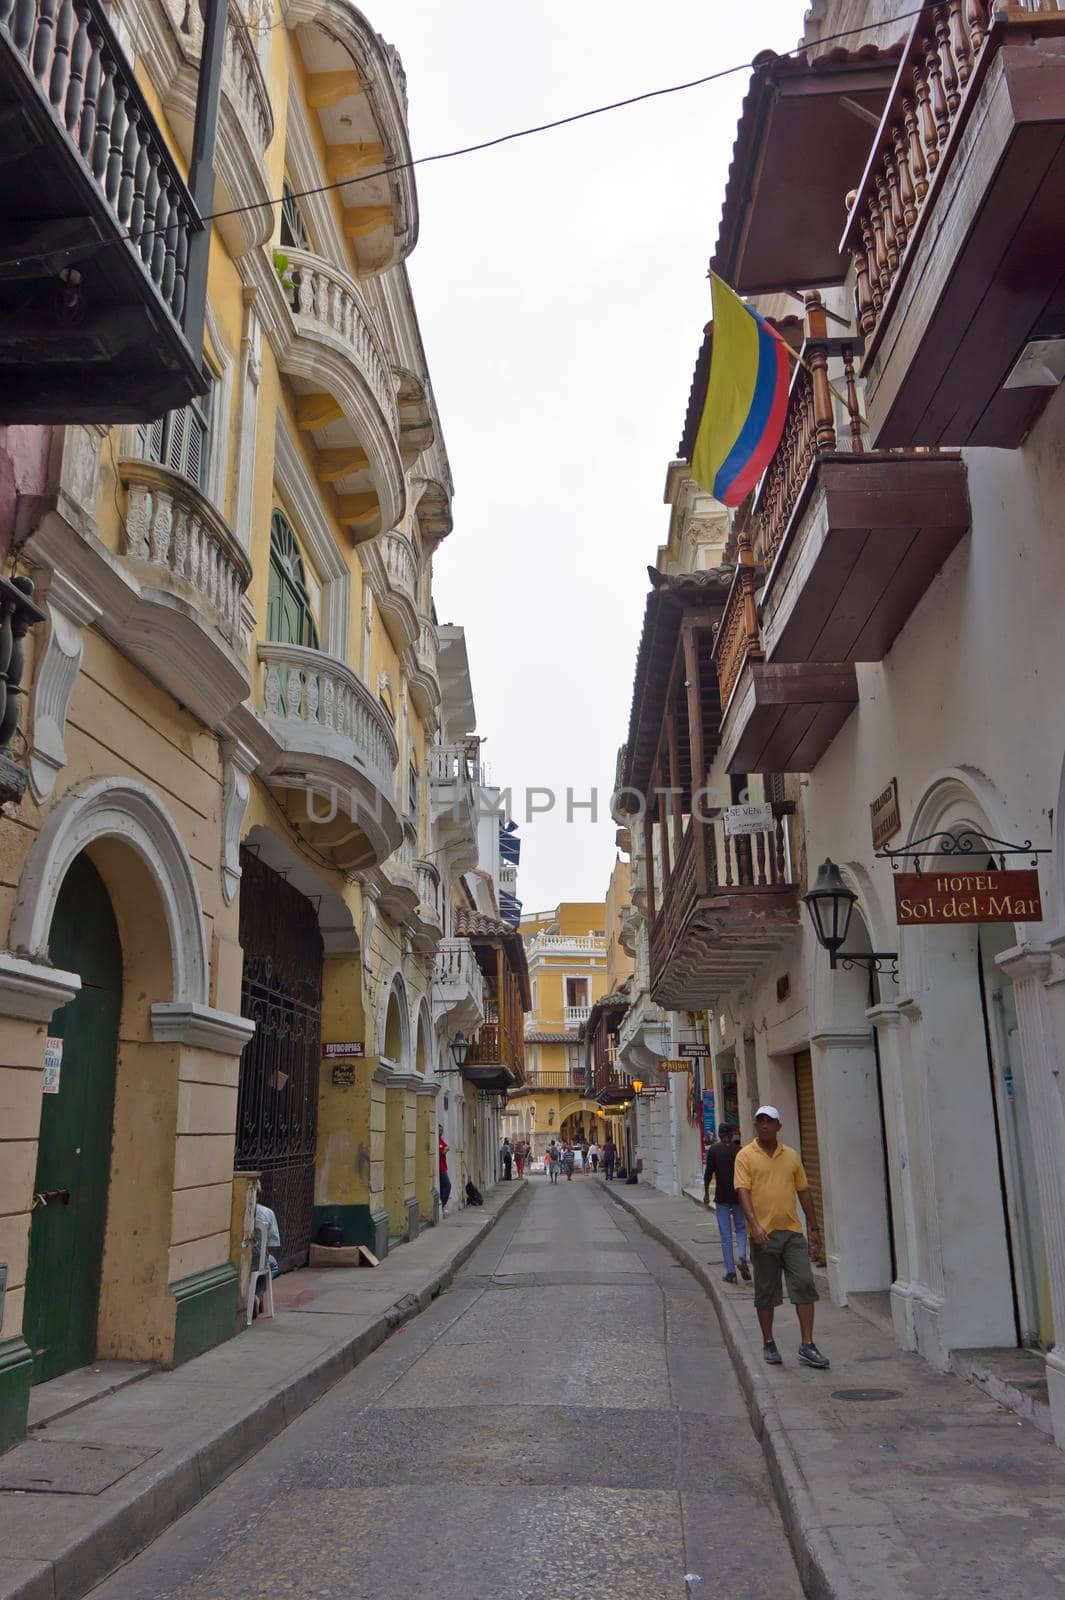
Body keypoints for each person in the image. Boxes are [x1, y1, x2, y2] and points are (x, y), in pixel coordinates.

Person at [734, 1106, 829, 1369]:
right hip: (763, 1235)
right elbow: (743, 1191)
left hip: (792, 1232)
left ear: (779, 1126)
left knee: (805, 1285)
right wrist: (754, 1225)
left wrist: (814, 1228)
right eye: (760, 1121)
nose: (764, 1125)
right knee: (766, 1291)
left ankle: (807, 1344)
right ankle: (768, 1342)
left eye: (769, 1121)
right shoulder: (745, 1156)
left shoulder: (791, 1156)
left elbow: (804, 1192)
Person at [703, 1124, 749, 1284]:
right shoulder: (740, 1151)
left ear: (719, 1134)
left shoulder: (714, 1150)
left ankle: (731, 1272)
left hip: (722, 1197)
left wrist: (706, 1193)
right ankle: (742, 1255)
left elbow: (708, 1173)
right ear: (731, 1134)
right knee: (741, 1228)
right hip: (738, 1196)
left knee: (726, 1235)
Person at [438, 1126, 451, 1214]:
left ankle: (442, 1205)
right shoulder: (438, 1141)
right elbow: (443, 1150)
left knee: (443, 1187)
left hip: (443, 1167)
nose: (441, 1131)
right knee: (447, 1185)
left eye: (442, 1130)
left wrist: (446, 1148)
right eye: (440, 1130)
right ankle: (442, 1204)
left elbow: (446, 1148)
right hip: (441, 1168)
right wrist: (445, 1148)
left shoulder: (440, 1140)